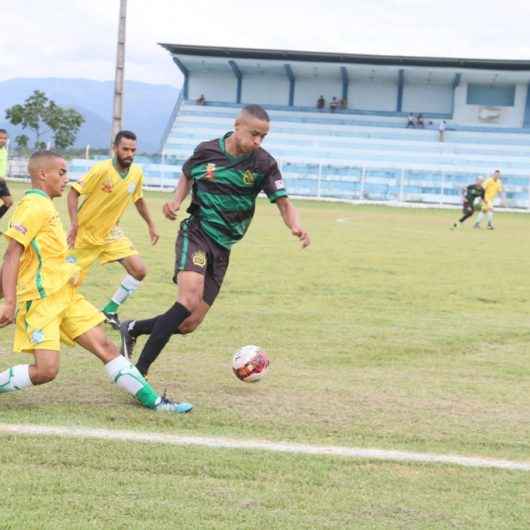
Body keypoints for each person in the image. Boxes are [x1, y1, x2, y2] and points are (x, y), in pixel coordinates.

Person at [119, 104, 311, 377]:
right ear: (237, 125)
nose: (257, 141)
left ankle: (133, 328)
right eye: (254, 134)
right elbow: (188, 174)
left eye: (263, 137)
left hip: (223, 247)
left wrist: (296, 226)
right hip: (197, 233)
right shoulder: (206, 151)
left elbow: (283, 203)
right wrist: (175, 200)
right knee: (188, 299)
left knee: (188, 323)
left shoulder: (264, 164)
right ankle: (138, 374)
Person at [0, 151, 191, 413]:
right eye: (61, 172)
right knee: (46, 370)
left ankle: (155, 402)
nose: (67, 178)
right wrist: (9, 301)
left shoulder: (45, 205)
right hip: (42, 300)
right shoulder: (32, 206)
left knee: (106, 346)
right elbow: (13, 254)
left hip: (66, 296)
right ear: (43, 174)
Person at [66, 130, 159, 329]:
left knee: (139, 271)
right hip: (85, 234)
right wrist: (74, 223)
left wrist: (151, 225)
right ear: (115, 148)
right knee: (66, 281)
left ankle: (110, 310)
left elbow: (139, 199)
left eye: (133, 150)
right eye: (125, 149)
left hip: (111, 234)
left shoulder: (136, 173)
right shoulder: (101, 169)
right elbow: (73, 193)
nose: (129, 154)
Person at [0, 129, 13, 220]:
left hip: (1, 182)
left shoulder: (4, 150)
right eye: (0, 138)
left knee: (8, 202)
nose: (3, 140)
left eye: (5, 138)